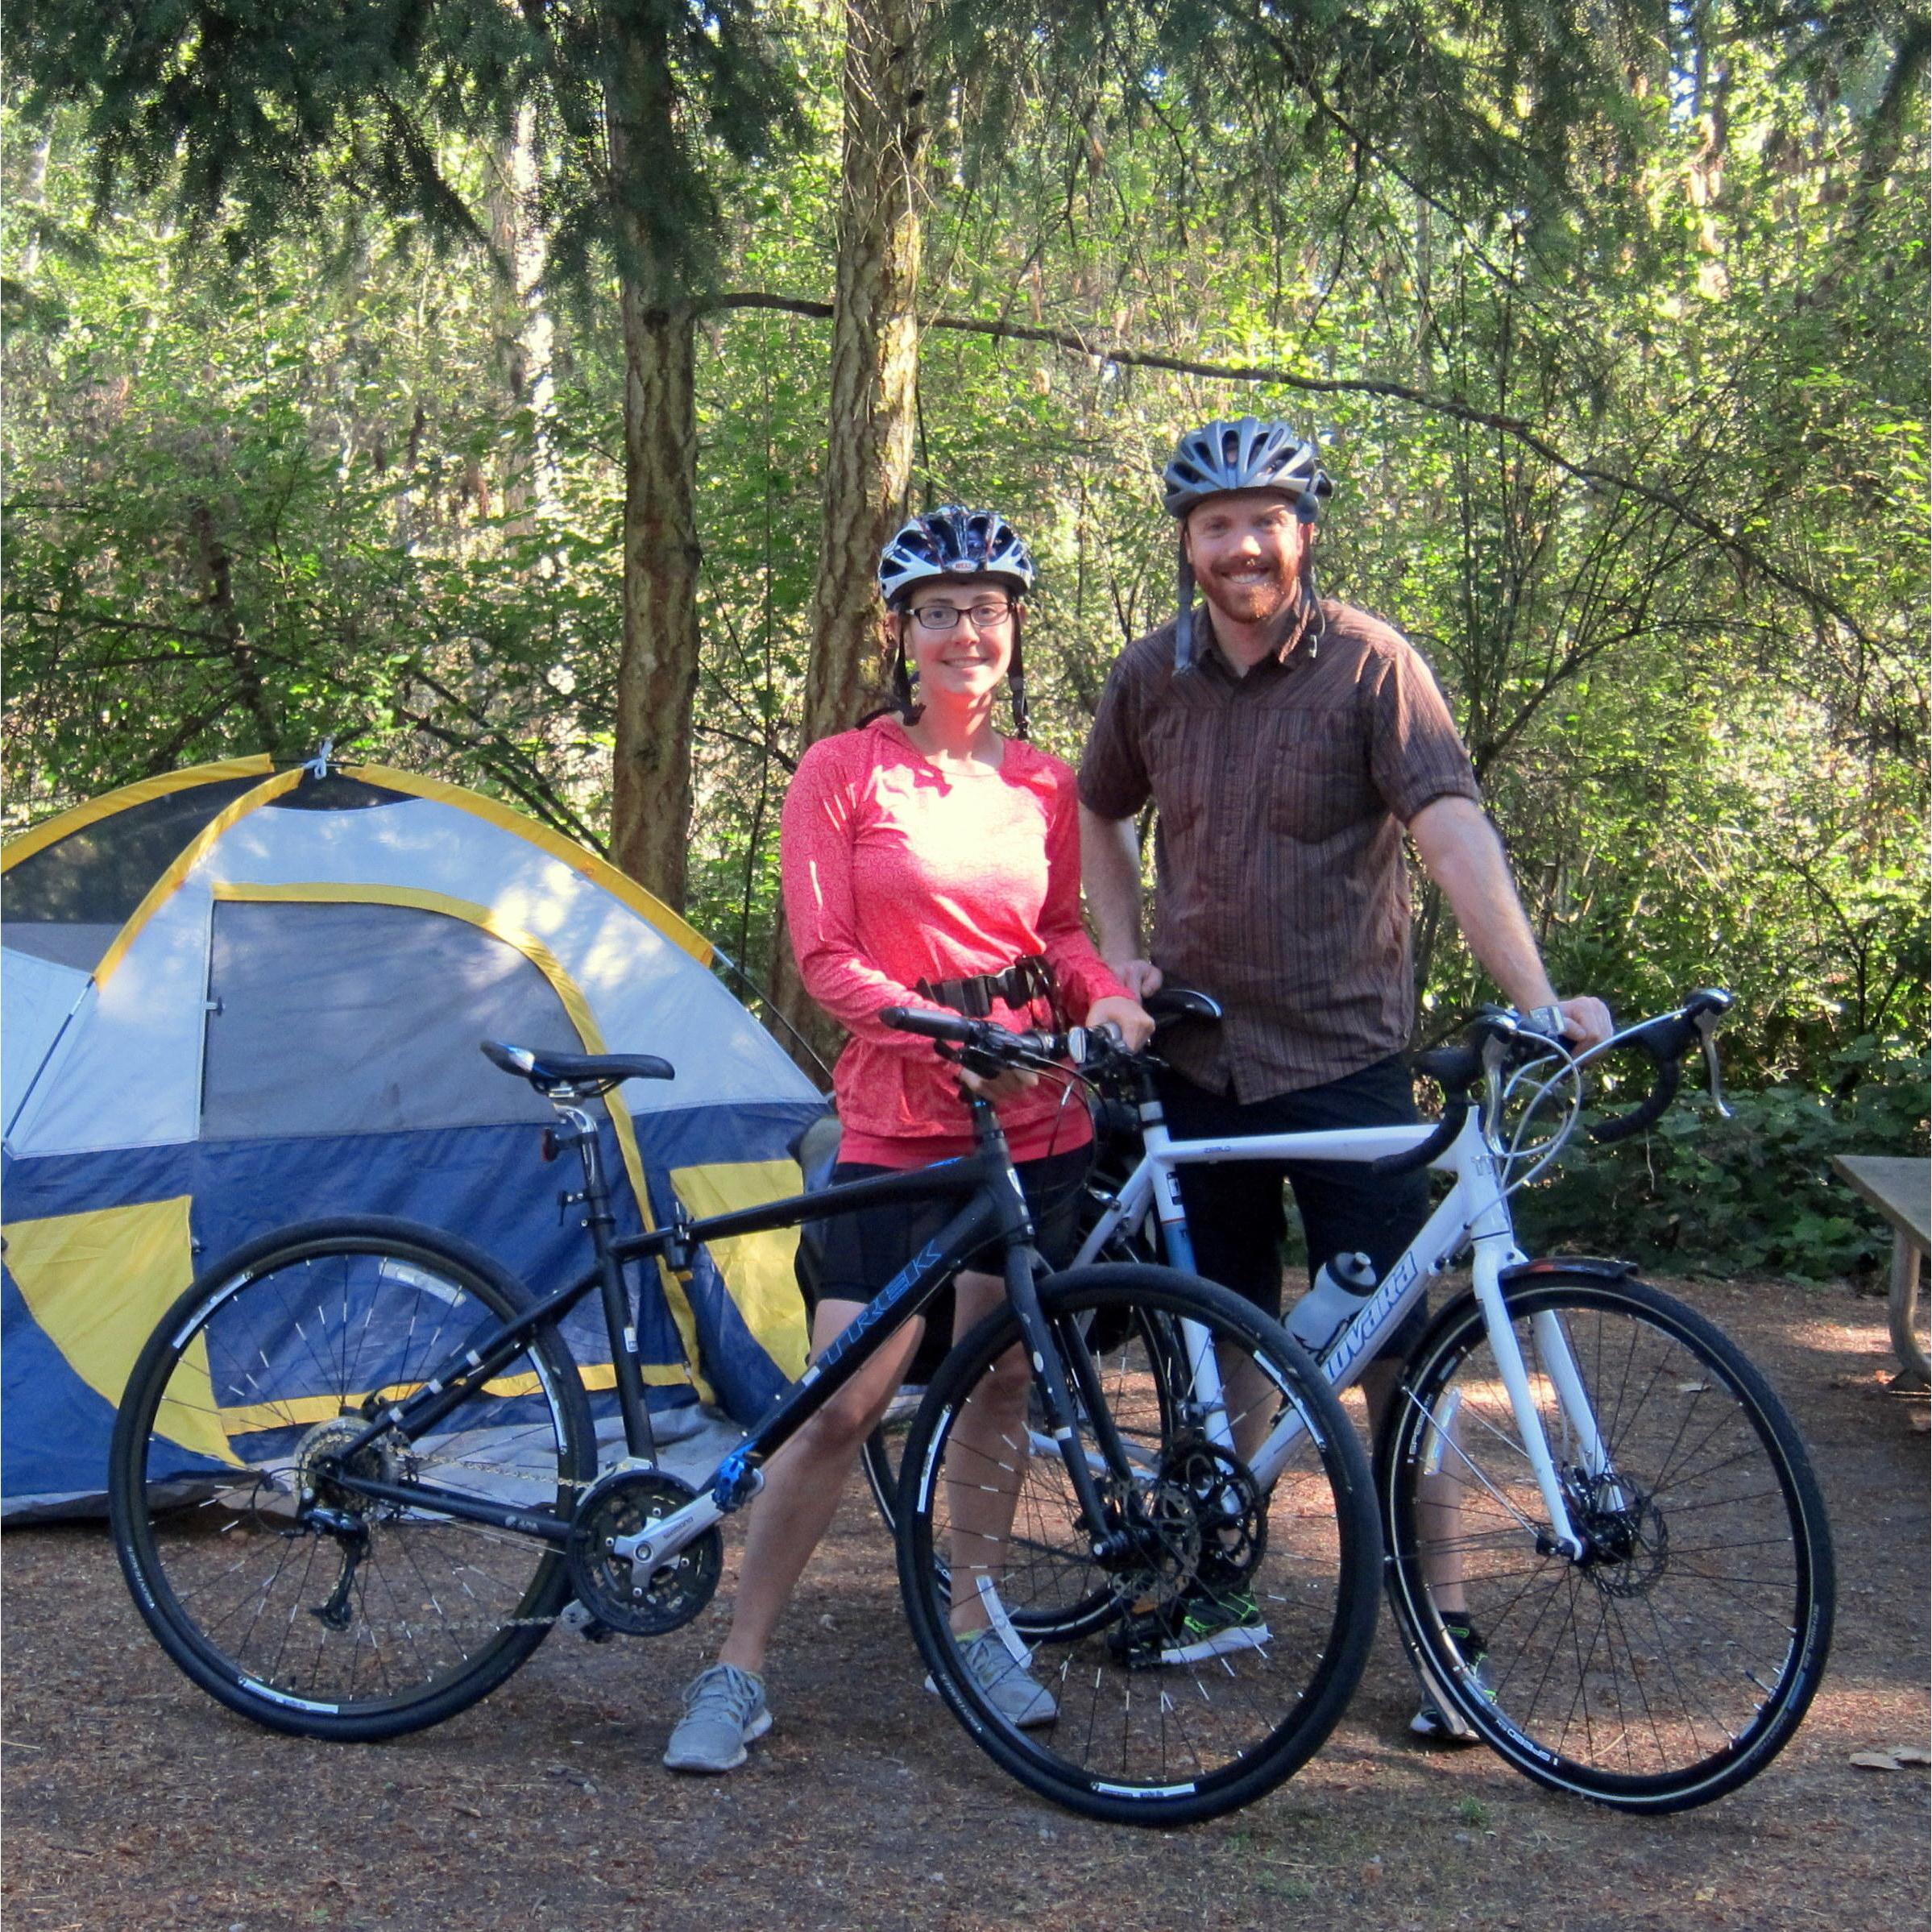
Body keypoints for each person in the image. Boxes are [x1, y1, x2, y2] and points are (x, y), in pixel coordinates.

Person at [1077, 416, 1613, 1736]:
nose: (1239, 546)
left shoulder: (1373, 665)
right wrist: (1119, 960)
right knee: (1223, 1334)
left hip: (1345, 1059)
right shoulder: (1150, 676)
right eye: (1214, 525)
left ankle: (1440, 1630)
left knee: (1403, 1357)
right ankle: (1217, 1576)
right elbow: (1096, 808)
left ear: (1302, 532)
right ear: (1187, 544)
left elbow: (1447, 827)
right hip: (1198, 1062)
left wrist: (1531, 1001)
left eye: (1263, 521)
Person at [663, 505, 1152, 1774]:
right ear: (899, 631)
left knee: (999, 1376)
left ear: (1015, 631)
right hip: (895, 1127)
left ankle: (974, 1609)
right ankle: (740, 1662)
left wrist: (1101, 993)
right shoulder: (842, 771)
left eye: (986, 609)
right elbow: (825, 958)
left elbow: (1058, 931)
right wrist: (945, 1030)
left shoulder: (1044, 782)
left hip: (1034, 1124)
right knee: (845, 1397)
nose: (964, 631)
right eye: (938, 610)